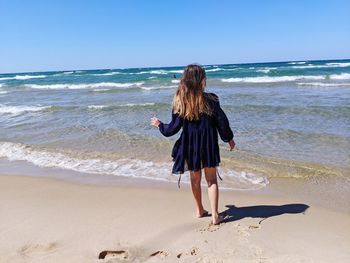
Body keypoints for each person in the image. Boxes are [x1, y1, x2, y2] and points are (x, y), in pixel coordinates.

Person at [151, 64, 235, 225]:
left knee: (195, 180)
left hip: (190, 146)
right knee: (211, 180)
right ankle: (215, 216)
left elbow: (172, 129)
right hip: (209, 144)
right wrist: (229, 138)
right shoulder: (211, 99)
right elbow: (222, 122)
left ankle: (199, 210)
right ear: (201, 80)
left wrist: (160, 125)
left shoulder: (180, 101)